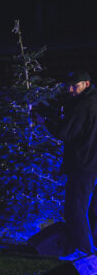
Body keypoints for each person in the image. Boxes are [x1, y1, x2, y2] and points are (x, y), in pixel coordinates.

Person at [56, 69, 97, 260]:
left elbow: (67, 133)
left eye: (75, 85)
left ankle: (84, 251)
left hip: (85, 164)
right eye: (69, 85)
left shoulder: (84, 105)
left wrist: (45, 122)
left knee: (75, 208)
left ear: (86, 84)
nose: (70, 89)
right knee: (90, 208)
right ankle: (90, 245)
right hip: (92, 164)